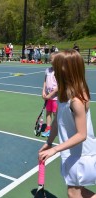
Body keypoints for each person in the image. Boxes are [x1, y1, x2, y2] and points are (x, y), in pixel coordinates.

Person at [38, 49, 96, 198]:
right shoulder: (63, 96)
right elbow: (58, 121)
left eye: (56, 69)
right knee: (80, 192)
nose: (53, 73)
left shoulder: (76, 100)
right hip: (72, 153)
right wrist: (49, 142)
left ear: (66, 71)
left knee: (73, 193)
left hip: (82, 154)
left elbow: (82, 134)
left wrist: (55, 150)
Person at [41, 52, 58, 137]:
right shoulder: (48, 70)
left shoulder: (60, 71)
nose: (50, 60)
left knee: (55, 114)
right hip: (48, 97)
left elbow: (60, 86)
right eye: (50, 59)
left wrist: (50, 94)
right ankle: (48, 127)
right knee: (48, 112)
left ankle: (56, 128)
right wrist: (43, 91)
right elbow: (45, 81)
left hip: (56, 98)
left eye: (52, 59)